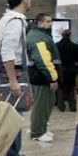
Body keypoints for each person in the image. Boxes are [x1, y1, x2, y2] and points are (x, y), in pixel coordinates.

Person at [0, 0, 33, 156]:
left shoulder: (8, 19)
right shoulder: (15, 21)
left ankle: (12, 152)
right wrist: (13, 80)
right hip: (9, 72)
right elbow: (8, 52)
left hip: (5, 71)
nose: (30, 0)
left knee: (12, 114)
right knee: (12, 116)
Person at [26, 13, 59, 142]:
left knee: (44, 104)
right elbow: (43, 60)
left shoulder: (40, 36)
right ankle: (37, 132)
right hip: (42, 77)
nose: (50, 24)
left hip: (40, 76)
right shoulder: (38, 38)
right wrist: (52, 78)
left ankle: (41, 128)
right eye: (48, 21)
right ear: (39, 22)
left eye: (51, 21)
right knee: (42, 105)